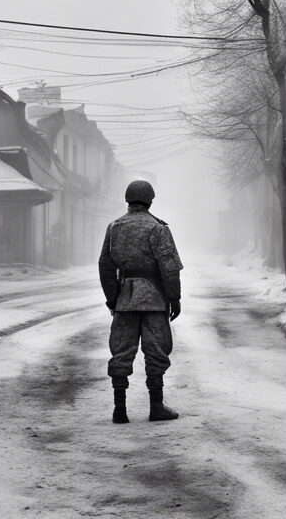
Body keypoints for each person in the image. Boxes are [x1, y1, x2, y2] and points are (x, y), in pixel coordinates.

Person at [98, 179, 183, 423]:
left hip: (125, 299)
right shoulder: (158, 228)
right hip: (155, 300)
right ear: (150, 200)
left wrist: (112, 298)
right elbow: (169, 268)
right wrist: (174, 297)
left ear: (128, 199)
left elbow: (105, 266)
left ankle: (119, 409)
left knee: (121, 352)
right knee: (156, 352)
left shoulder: (114, 228)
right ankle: (156, 407)